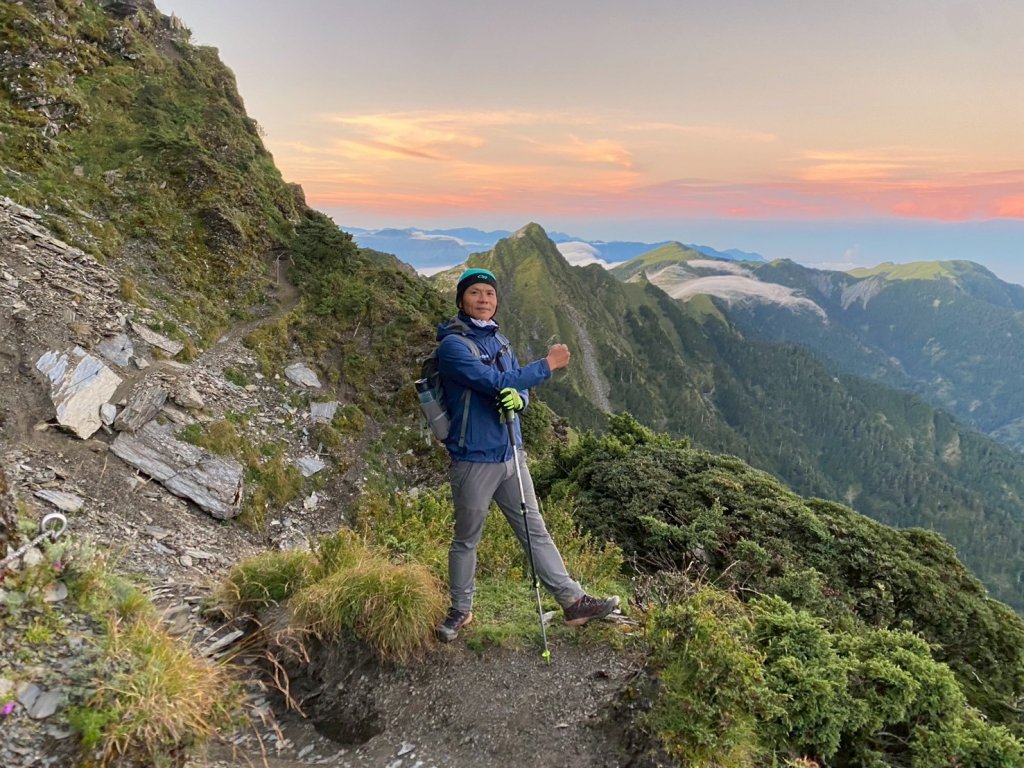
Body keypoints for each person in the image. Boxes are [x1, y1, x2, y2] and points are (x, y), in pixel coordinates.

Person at [434, 267, 620, 642]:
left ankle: (573, 602)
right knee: (467, 536)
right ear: (461, 301)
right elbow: (497, 382)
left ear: (496, 300)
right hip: (474, 457)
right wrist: (548, 365)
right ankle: (460, 609)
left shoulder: (500, 342)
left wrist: (521, 400)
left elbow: (516, 387)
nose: (483, 299)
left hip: (510, 453)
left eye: (489, 293)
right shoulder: (453, 347)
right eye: (475, 293)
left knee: (534, 531)